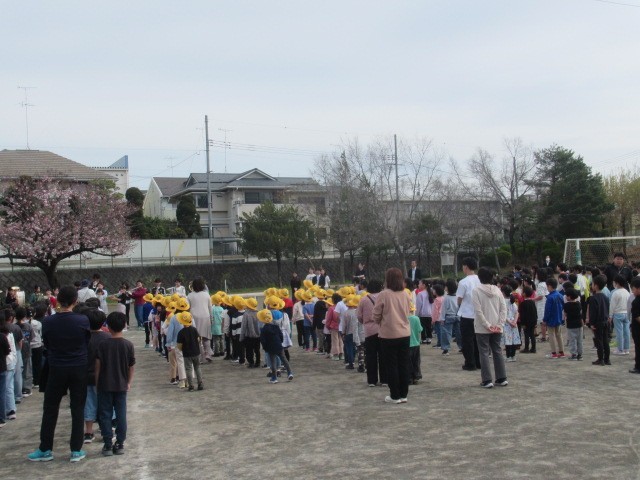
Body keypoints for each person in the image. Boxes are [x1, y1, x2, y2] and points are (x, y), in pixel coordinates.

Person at [28, 286, 91, 463]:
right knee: (77, 407)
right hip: (78, 366)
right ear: (75, 301)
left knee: (50, 408)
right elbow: (86, 341)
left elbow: (47, 343)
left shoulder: (48, 322)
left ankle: (45, 448)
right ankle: (76, 449)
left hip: (56, 366)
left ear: (58, 300)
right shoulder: (83, 320)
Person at [95, 312, 135, 456]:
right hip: (121, 384)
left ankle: (107, 443)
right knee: (121, 414)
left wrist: (97, 382)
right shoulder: (128, 345)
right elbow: (131, 366)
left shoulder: (103, 344)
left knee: (105, 414)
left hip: (105, 384)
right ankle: (120, 443)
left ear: (108, 326)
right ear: (124, 325)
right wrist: (129, 382)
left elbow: (98, 366)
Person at [372, 268, 411, 404]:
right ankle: (403, 394)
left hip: (388, 335)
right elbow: (408, 311)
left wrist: (381, 322)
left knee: (391, 365)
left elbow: (376, 314)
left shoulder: (384, 294)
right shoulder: (406, 294)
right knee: (404, 364)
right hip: (404, 333)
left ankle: (394, 395)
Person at [472, 267, 507, 388]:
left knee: (484, 352)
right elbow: (503, 309)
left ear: (479, 277)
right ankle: (501, 378)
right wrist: (500, 324)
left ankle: (487, 380)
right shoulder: (497, 290)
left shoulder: (476, 291)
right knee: (497, 351)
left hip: (482, 328)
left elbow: (478, 311)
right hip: (497, 326)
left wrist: (487, 325)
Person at [82, 307, 110, 444]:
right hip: (104, 377)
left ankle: (88, 432)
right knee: (105, 404)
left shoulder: (84, 338)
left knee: (89, 404)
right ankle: (106, 430)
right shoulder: (107, 337)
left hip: (87, 376)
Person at [357, 280, 385, 386]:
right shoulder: (384, 298)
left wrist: (365, 321)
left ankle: (372, 380)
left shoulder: (364, 299)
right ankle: (384, 379)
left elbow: (359, 316)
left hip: (369, 330)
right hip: (383, 328)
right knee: (383, 355)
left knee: (370, 356)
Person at [457, 257, 481, 371]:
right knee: (478, 339)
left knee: (467, 340)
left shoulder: (463, 282)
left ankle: (470, 363)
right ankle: (479, 362)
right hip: (479, 314)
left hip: (467, 314)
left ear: (466, 267)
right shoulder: (480, 279)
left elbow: (459, 299)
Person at [258, 309, 294, 383]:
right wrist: (280, 342)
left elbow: (263, 341)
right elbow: (281, 336)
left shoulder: (263, 330)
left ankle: (274, 378)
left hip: (270, 348)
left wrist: (265, 348)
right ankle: (289, 373)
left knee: (273, 363)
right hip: (279, 346)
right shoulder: (276, 327)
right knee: (284, 359)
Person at [187, 277, 214, 363]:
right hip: (206, 316)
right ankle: (208, 354)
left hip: (194, 318)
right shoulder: (206, 295)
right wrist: (212, 318)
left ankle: (201, 356)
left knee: (196, 338)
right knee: (206, 337)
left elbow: (187, 308)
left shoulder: (190, 295)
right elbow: (210, 307)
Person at [176, 312, 203, 391]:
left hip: (187, 354)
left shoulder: (181, 332)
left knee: (188, 369)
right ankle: (200, 383)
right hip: (196, 352)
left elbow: (179, 345)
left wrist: (182, 349)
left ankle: (191, 386)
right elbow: (199, 339)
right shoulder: (194, 330)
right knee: (197, 367)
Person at [589, 275, 611, 366]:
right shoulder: (605, 297)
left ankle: (600, 359)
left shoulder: (593, 298)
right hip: (605, 321)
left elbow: (593, 312)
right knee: (605, 340)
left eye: (593, 284)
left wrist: (591, 323)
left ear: (596, 286)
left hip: (598, 322)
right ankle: (607, 359)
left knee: (599, 341)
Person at [543, 278, 565, 359]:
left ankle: (554, 353)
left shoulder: (550, 297)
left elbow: (547, 310)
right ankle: (561, 352)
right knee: (559, 335)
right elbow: (563, 306)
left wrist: (545, 320)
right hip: (558, 317)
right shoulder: (560, 295)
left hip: (551, 319)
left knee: (551, 335)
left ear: (549, 286)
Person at [610, 275, 631, 356]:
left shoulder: (615, 293)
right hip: (626, 313)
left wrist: (610, 316)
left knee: (619, 332)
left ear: (617, 283)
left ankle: (620, 349)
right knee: (627, 331)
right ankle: (626, 349)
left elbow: (612, 306)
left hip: (618, 314)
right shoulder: (627, 292)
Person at [563, 288, 584, 361]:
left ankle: (574, 354)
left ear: (569, 296)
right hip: (579, 324)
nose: (566, 297)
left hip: (571, 325)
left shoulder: (566, 305)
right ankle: (580, 355)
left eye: (566, 296)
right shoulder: (578, 304)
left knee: (572, 340)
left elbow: (565, 314)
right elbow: (581, 314)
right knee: (579, 340)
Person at [502, 286, 520, 362]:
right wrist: (514, 322)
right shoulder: (512, 301)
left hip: (507, 323)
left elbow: (503, 314)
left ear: (503, 293)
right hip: (514, 323)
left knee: (508, 341)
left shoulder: (503, 302)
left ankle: (508, 356)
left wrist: (510, 322)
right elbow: (517, 313)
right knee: (513, 340)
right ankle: (513, 356)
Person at [408, 303, 423, 384]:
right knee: (416, 361)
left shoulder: (403, 318)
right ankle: (416, 376)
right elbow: (419, 330)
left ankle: (409, 378)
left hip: (407, 344)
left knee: (408, 362)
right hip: (416, 343)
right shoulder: (416, 318)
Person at [415, 279, 433, 345]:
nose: (418, 285)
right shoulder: (430, 293)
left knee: (422, 327)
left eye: (419, 284)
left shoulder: (420, 294)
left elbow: (418, 305)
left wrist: (416, 314)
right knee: (428, 326)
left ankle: (424, 339)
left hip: (422, 313)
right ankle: (429, 338)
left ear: (424, 285)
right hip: (430, 313)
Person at [0, 314, 10, 428]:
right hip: (2, 367)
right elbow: (7, 351)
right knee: (2, 392)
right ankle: (1, 418)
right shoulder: (3, 336)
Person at [628, 277, 640, 374]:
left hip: (637, 329)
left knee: (638, 348)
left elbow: (637, 317)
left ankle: (638, 367)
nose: (632, 291)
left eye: (633, 289)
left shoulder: (636, 301)